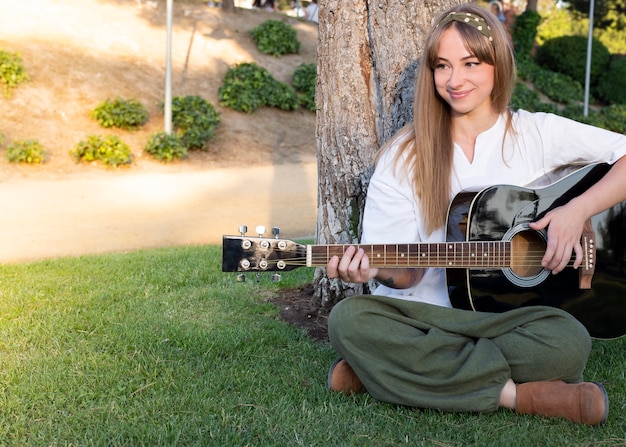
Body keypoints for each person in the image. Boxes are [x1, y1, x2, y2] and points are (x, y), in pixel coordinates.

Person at [325, 3, 626, 426]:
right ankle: (520, 397)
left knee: (570, 340)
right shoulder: (403, 156)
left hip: (509, 320)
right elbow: (407, 275)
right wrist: (372, 269)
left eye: (470, 63)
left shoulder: (534, 134)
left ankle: (390, 371)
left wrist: (577, 210)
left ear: (497, 66)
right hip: (425, 318)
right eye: (443, 66)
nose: (455, 80)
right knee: (349, 320)